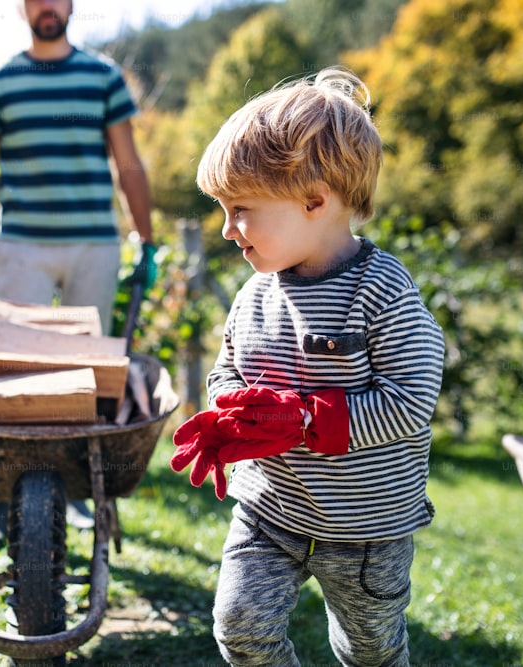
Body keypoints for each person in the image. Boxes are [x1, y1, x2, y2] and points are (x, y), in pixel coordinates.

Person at [169, 67, 445, 666]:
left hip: (368, 527)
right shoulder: (254, 294)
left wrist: (301, 421)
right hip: (270, 509)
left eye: (240, 208)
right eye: (221, 209)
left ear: (314, 200)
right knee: (241, 628)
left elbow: (411, 397)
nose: (226, 229)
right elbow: (228, 373)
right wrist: (230, 411)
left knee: (369, 650)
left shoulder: (381, 290)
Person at [0, 0, 156, 536]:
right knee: (11, 372)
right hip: (23, 246)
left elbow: (128, 163)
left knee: (90, 373)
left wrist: (146, 240)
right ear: (22, 8)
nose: (47, 6)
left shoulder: (102, 77)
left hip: (93, 244)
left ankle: (77, 490)